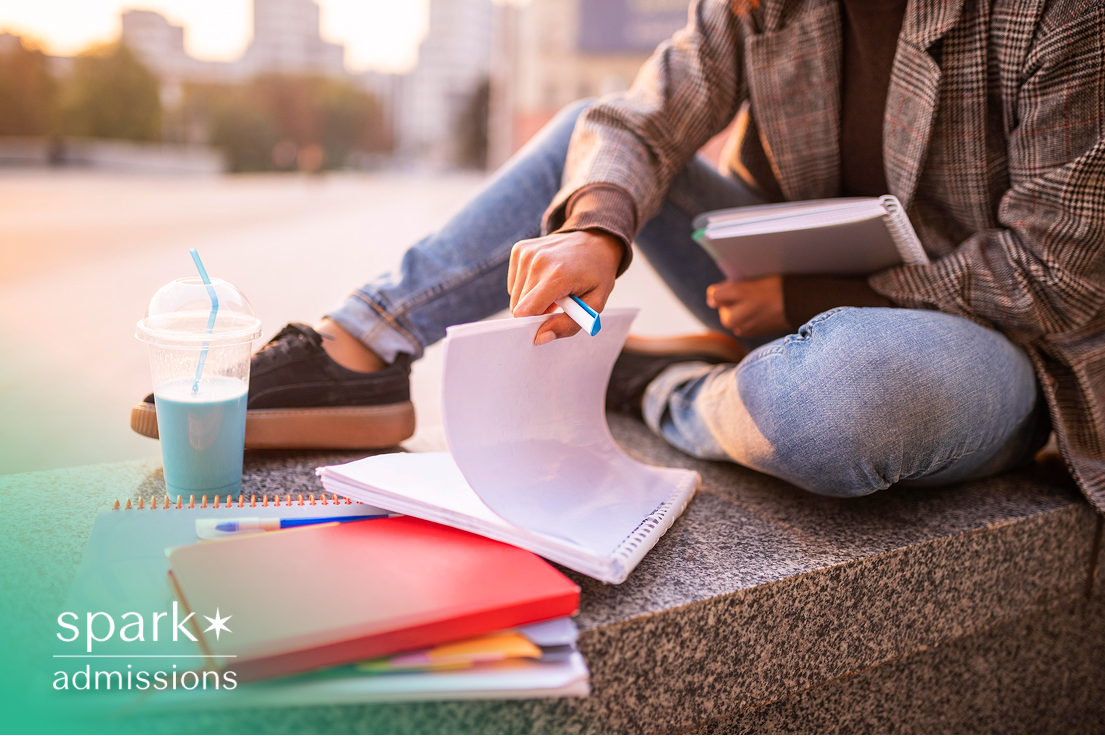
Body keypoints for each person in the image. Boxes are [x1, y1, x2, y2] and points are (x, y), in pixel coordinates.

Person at [131, 0, 1105, 507]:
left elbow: (1057, 276)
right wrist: (594, 227)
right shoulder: (759, 6)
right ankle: (364, 346)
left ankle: (653, 383)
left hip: (996, 348)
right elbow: (639, 118)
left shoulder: (1060, 14)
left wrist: (811, 291)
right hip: (784, 288)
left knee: (837, 401)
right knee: (584, 138)